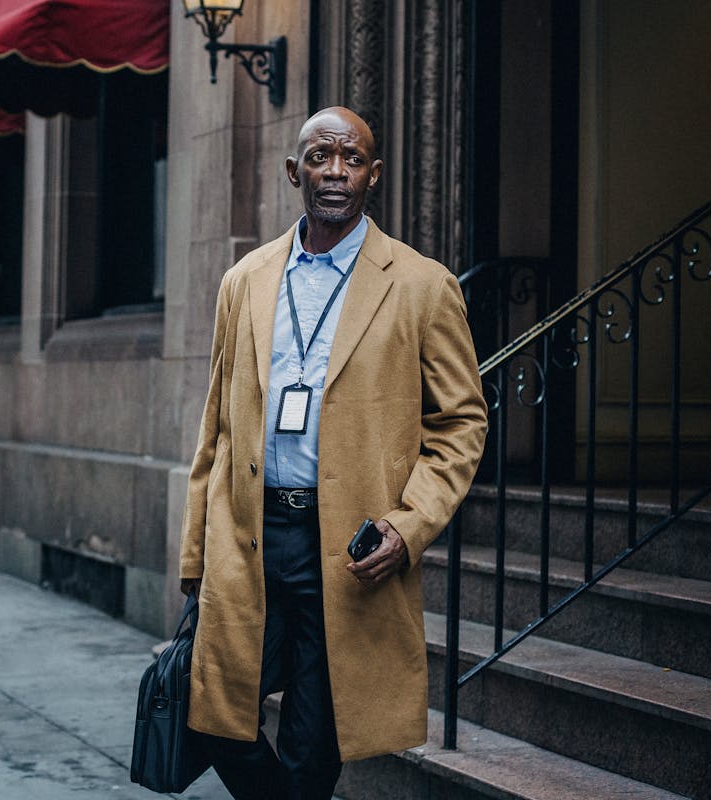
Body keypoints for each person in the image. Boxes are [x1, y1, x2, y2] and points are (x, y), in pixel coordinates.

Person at [178, 106, 488, 799]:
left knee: (311, 748)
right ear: (295, 171)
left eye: (351, 159)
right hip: (250, 535)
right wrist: (196, 553)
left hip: (347, 550)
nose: (336, 172)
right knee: (211, 714)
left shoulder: (421, 284)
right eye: (321, 157)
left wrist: (409, 526)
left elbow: (462, 422)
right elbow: (216, 429)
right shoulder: (245, 281)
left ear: (373, 174)